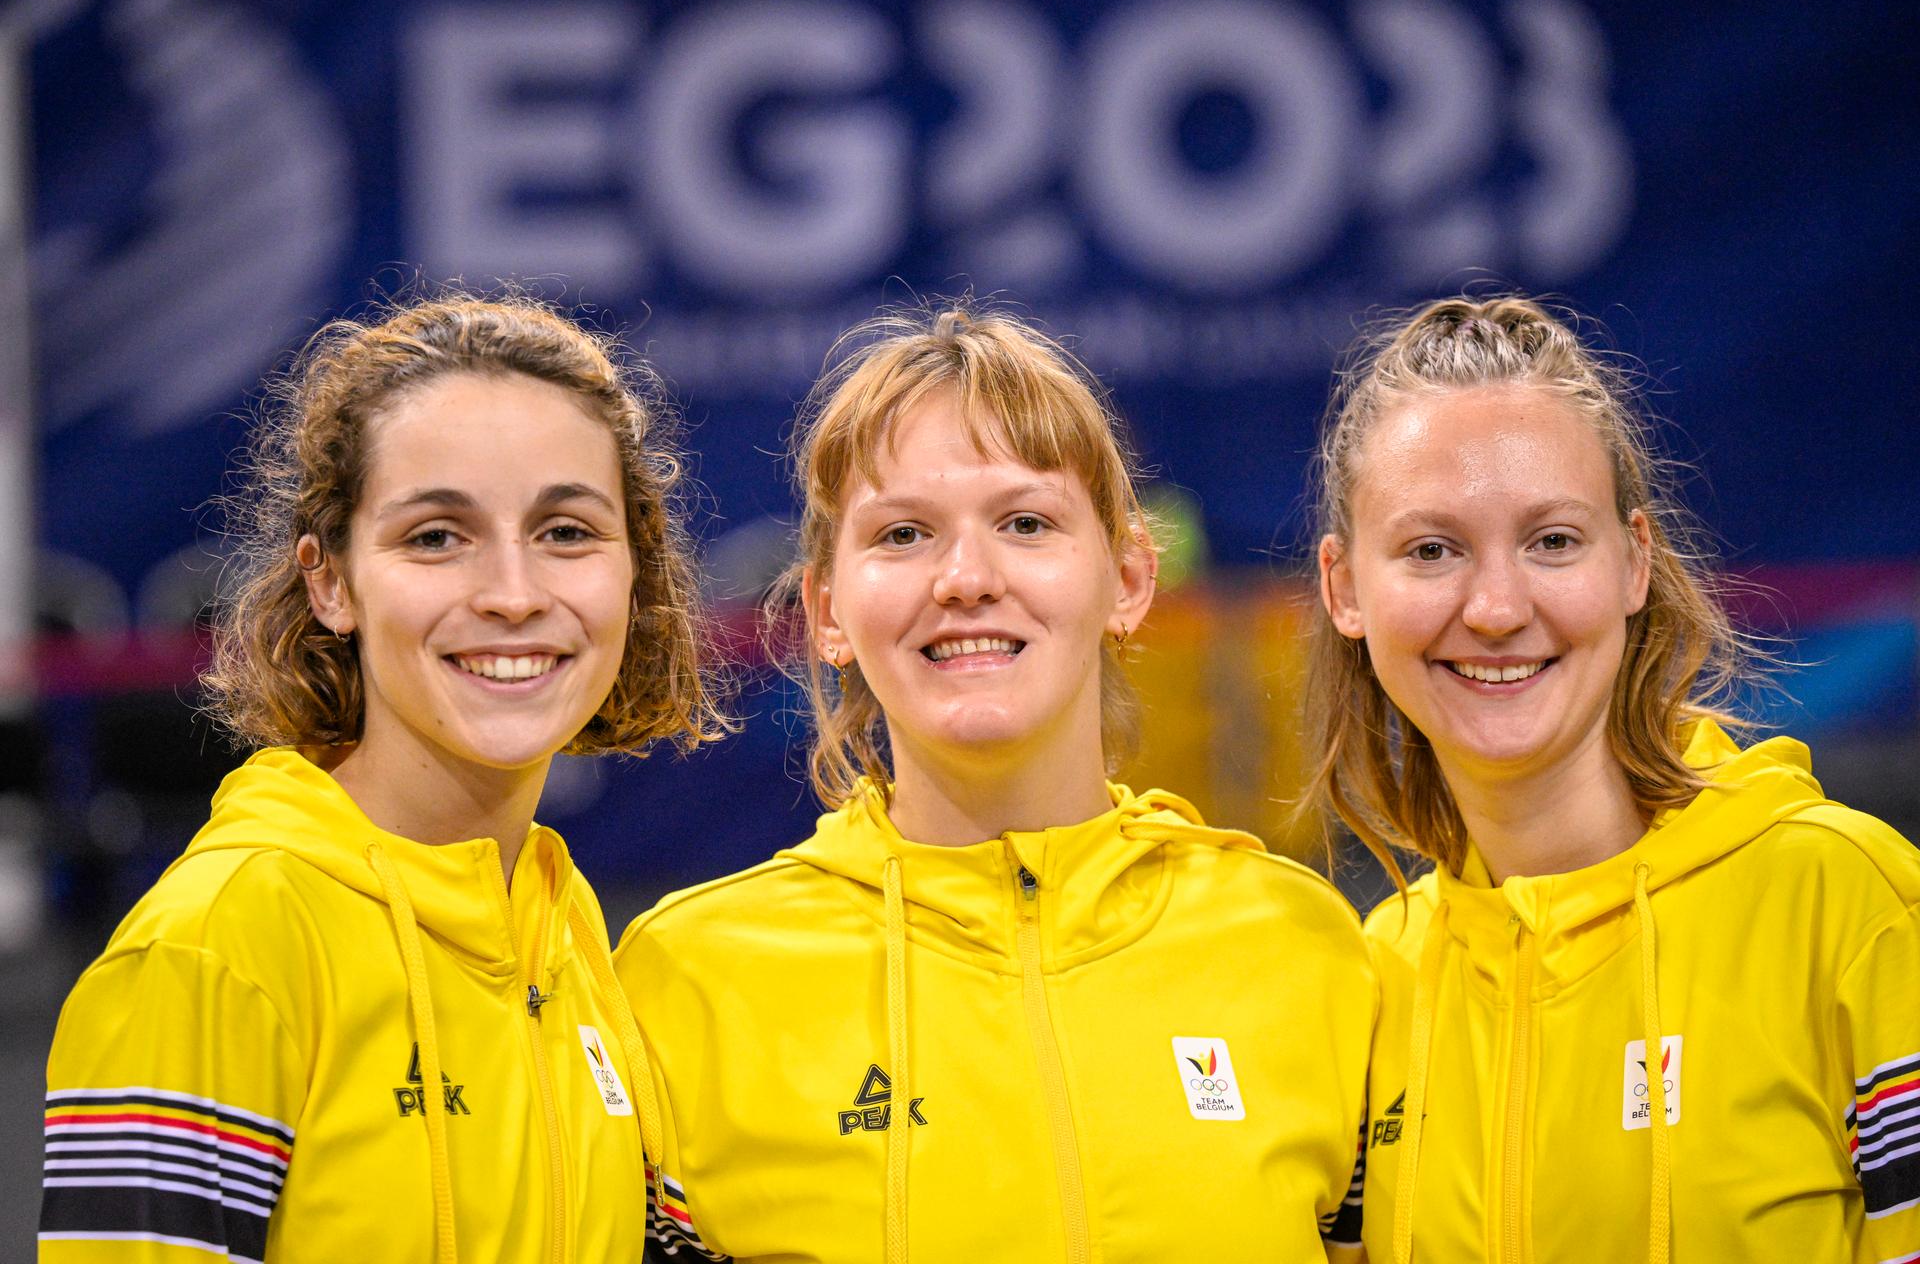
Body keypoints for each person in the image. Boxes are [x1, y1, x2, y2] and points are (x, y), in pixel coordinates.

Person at [614, 303, 1374, 1264]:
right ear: (826, 610)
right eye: (902, 535)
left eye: (1025, 522)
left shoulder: (1308, 952)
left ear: (1130, 580)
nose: (966, 577)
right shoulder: (685, 980)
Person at [39, 292, 727, 1263]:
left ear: (633, 568)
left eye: (566, 531)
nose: (514, 593)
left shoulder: (561, 934)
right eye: (436, 536)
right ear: (330, 580)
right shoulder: (215, 946)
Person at [1307, 295, 1920, 1262]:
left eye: (1553, 540)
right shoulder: (1366, 987)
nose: (1499, 607)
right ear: (1344, 588)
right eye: (1432, 550)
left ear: (1635, 561)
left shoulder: (1844, 907)